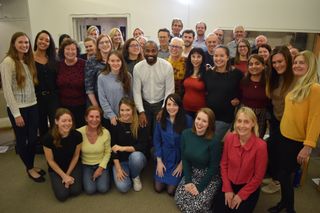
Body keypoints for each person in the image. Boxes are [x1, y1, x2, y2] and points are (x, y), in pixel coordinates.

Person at [268, 51, 320, 213]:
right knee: (281, 174)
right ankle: (284, 202)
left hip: (296, 141)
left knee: (285, 175)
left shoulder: (315, 89)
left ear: (310, 66)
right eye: (295, 62)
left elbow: (315, 119)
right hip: (283, 135)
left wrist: (308, 146)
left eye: (301, 63)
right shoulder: (298, 84)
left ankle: (289, 208)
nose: (297, 65)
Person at [1, 32, 44, 182]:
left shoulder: (27, 60)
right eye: (21, 42)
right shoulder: (8, 62)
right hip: (19, 109)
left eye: (26, 42)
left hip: (33, 106)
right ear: (13, 44)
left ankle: (30, 165)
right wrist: (16, 114)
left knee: (33, 139)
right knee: (22, 141)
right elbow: (7, 91)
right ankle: (30, 168)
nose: (24, 45)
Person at [219, 107, 267, 213]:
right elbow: (223, 164)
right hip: (229, 182)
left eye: (246, 122)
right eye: (239, 121)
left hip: (248, 186)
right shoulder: (229, 138)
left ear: (253, 123)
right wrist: (227, 188)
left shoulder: (261, 146)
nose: (241, 125)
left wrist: (241, 195)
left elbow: (258, 177)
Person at [262, 46, 295, 194]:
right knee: (273, 150)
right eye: (274, 62)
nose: (277, 65)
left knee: (283, 155)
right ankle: (275, 177)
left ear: (288, 60)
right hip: (276, 120)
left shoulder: (295, 79)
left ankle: (278, 182)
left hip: (289, 123)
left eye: (280, 61)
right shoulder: (274, 77)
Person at [175, 108, 221, 212]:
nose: (199, 123)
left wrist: (200, 187)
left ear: (209, 124)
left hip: (209, 176)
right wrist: (188, 181)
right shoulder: (186, 134)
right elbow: (185, 159)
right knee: (179, 200)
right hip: (192, 172)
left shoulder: (215, 141)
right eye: (198, 119)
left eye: (204, 121)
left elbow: (213, 168)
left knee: (196, 206)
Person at [133, 40, 174, 137]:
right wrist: (141, 111)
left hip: (161, 104)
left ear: (158, 51)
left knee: (159, 133)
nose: (150, 54)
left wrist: (163, 109)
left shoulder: (167, 66)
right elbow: (136, 92)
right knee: (144, 133)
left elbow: (170, 90)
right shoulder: (138, 67)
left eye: (153, 51)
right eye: (147, 51)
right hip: (144, 104)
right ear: (143, 51)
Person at [153, 94, 193, 196]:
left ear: (179, 106)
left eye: (174, 105)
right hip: (164, 156)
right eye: (168, 104)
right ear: (165, 106)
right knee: (158, 188)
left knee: (171, 191)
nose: (171, 107)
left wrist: (182, 164)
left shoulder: (187, 120)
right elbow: (157, 141)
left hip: (179, 157)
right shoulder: (160, 119)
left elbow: (190, 144)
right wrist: (159, 161)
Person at [204, 45, 243, 142]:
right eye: (216, 56)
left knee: (215, 143)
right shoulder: (208, 74)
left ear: (227, 57)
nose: (218, 58)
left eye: (221, 56)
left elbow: (244, 91)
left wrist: (238, 99)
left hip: (225, 118)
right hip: (209, 117)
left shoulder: (237, 74)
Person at [42, 108, 82, 201]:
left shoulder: (77, 135)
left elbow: (76, 156)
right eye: (63, 121)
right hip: (56, 167)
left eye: (69, 120)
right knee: (62, 195)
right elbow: (50, 161)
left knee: (76, 191)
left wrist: (67, 175)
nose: (67, 123)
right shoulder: (47, 138)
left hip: (72, 165)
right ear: (56, 121)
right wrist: (63, 176)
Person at [111, 98, 148, 192]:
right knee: (124, 187)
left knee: (136, 156)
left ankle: (135, 176)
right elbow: (113, 148)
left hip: (137, 158)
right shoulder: (115, 124)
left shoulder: (140, 123)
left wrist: (123, 148)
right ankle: (130, 172)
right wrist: (118, 169)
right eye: (122, 110)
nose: (124, 113)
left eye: (128, 110)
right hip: (121, 161)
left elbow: (142, 146)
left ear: (133, 110)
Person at [78, 106, 111, 194]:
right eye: (91, 116)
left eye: (97, 117)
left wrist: (100, 169)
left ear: (100, 118)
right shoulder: (79, 133)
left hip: (101, 164)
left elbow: (108, 152)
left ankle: (106, 175)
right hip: (86, 165)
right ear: (86, 118)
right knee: (90, 190)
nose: (94, 119)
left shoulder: (106, 133)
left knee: (103, 188)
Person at [33, 30, 59, 138]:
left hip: (53, 97)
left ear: (50, 43)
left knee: (55, 124)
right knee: (41, 125)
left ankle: (56, 147)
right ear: (36, 41)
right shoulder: (29, 59)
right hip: (37, 98)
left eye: (47, 40)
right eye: (41, 39)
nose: (43, 42)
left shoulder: (53, 59)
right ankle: (45, 149)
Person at [98, 50, 132, 129]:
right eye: (112, 61)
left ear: (122, 62)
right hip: (110, 118)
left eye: (118, 60)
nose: (115, 63)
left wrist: (128, 114)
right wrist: (111, 115)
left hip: (125, 117)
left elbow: (130, 97)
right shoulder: (102, 77)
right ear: (108, 61)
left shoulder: (128, 76)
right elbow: (102, 99)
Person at [57, 39, 86, 128]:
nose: (70, 52)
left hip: (81, 106)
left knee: (80, 130)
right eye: (67, 49)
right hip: (63, 106)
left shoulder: (84, 64)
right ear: (63, 51)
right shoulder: (58, 65)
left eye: (73, 49)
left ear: (77, 51)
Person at [239, 55, 269, 138]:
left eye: (257, 63)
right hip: (244, 114)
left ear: (263, 66)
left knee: (257, 139)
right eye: (251, 64)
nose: (254, 66)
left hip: (261, 116)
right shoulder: (243, 81)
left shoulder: (268, 83)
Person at [84, 34, 113, 107]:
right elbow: (89, 87)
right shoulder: (91, 61)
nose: (105, 44)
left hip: (114, 99)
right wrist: (96, 106)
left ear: (111, 44)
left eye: (107, 42)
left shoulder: (116, 58)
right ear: (98, 46)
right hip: (97, 100)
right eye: (101, 43)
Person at [181, 48, 206, 118]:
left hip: (200, 110)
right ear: (190, 58)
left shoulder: (206, 73)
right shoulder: (188, 71)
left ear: (203, 58)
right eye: (193, 56)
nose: (195, 59)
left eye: (198, 57)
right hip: (185, 108)